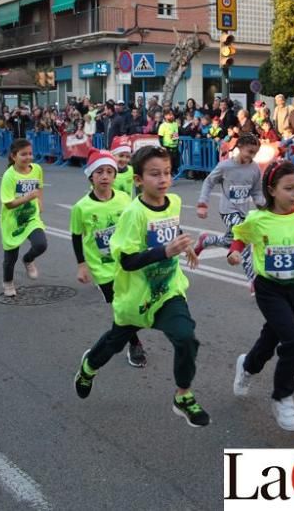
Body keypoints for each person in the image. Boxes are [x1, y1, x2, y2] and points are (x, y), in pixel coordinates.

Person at [72, 146, 209, 427]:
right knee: (116, 340)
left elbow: (171, 226)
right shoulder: (133, 214)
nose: (163, 179)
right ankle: (88, 367)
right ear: (137, 180)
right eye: (154, 174)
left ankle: (183, 395)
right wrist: (165, 252)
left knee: (186, 337)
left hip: (167, 289)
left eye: (168, 173)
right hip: (135, 296)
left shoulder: (173, 202)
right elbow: (126, 260)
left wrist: (186, 247)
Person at [229, 159, 294, 431]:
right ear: (272, 190)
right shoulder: (259, 219)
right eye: (289, 188)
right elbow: (242, 235)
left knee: (272, 336)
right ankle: (282, 396)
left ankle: (248, 365)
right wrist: (234, 251)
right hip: (268, 288)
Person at [70, 150, 147, 367]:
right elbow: (76, 236)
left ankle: (101, 349)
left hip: (128, 262)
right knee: (122, 308)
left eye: (109, 171)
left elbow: (136, 224)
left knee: (140, 307)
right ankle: (134, 343)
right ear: (91, 177)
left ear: (115, 176)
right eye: (99, 172)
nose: (105, 176)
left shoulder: (124, 199)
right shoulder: (81, 207)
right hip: (102, 269)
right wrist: (81, 265)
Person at [194, 134, 264, 288]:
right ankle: (253, 281)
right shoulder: (225, 166)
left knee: (229, 241)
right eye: (249, 152)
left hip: (243, 212)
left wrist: (262, 204)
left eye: (255, 153)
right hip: (227, 211)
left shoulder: (254, 168)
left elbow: (257, 191)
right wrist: (203, 203)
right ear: (239, 147)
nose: (252, 156)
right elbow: (209, 182)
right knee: (242, 239)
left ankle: (206, 241)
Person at [0, 139, 48, 296]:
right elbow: (8, 204)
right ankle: (7, 283)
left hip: (31, 217)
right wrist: (28, 197)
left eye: (30, 153)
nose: (28, 157)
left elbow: (39, 187)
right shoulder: (9, 176)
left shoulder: (37, 169)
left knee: (41, 244)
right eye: (23, 154)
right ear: (14, 156)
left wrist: (39, 201)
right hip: (13, 220)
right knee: (10, 258)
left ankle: (28, 259)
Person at [158, 109, 180, 174]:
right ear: (165, 116)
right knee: (168, 164)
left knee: (175, 164)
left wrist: (178, 142)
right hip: (167, 147)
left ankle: (172, 174)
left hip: (175, 147)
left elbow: (176, 134)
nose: (171, 116)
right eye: (170, 115)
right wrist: (162, 146)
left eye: (172, 115)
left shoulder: (175, 124)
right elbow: (160, 137)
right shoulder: (163, 125)